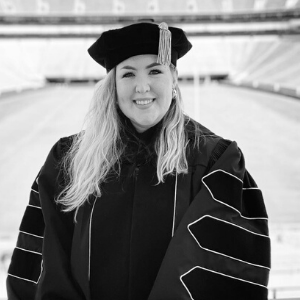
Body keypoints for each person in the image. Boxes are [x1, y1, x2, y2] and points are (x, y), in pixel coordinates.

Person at [7, 21, 271, 300]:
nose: (142, 87)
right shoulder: (69, 160)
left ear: (173, 78)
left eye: (155, 71)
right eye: (128, 74)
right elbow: (45, 263)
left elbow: (224, 273)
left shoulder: (214, 161)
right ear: (113, 85)